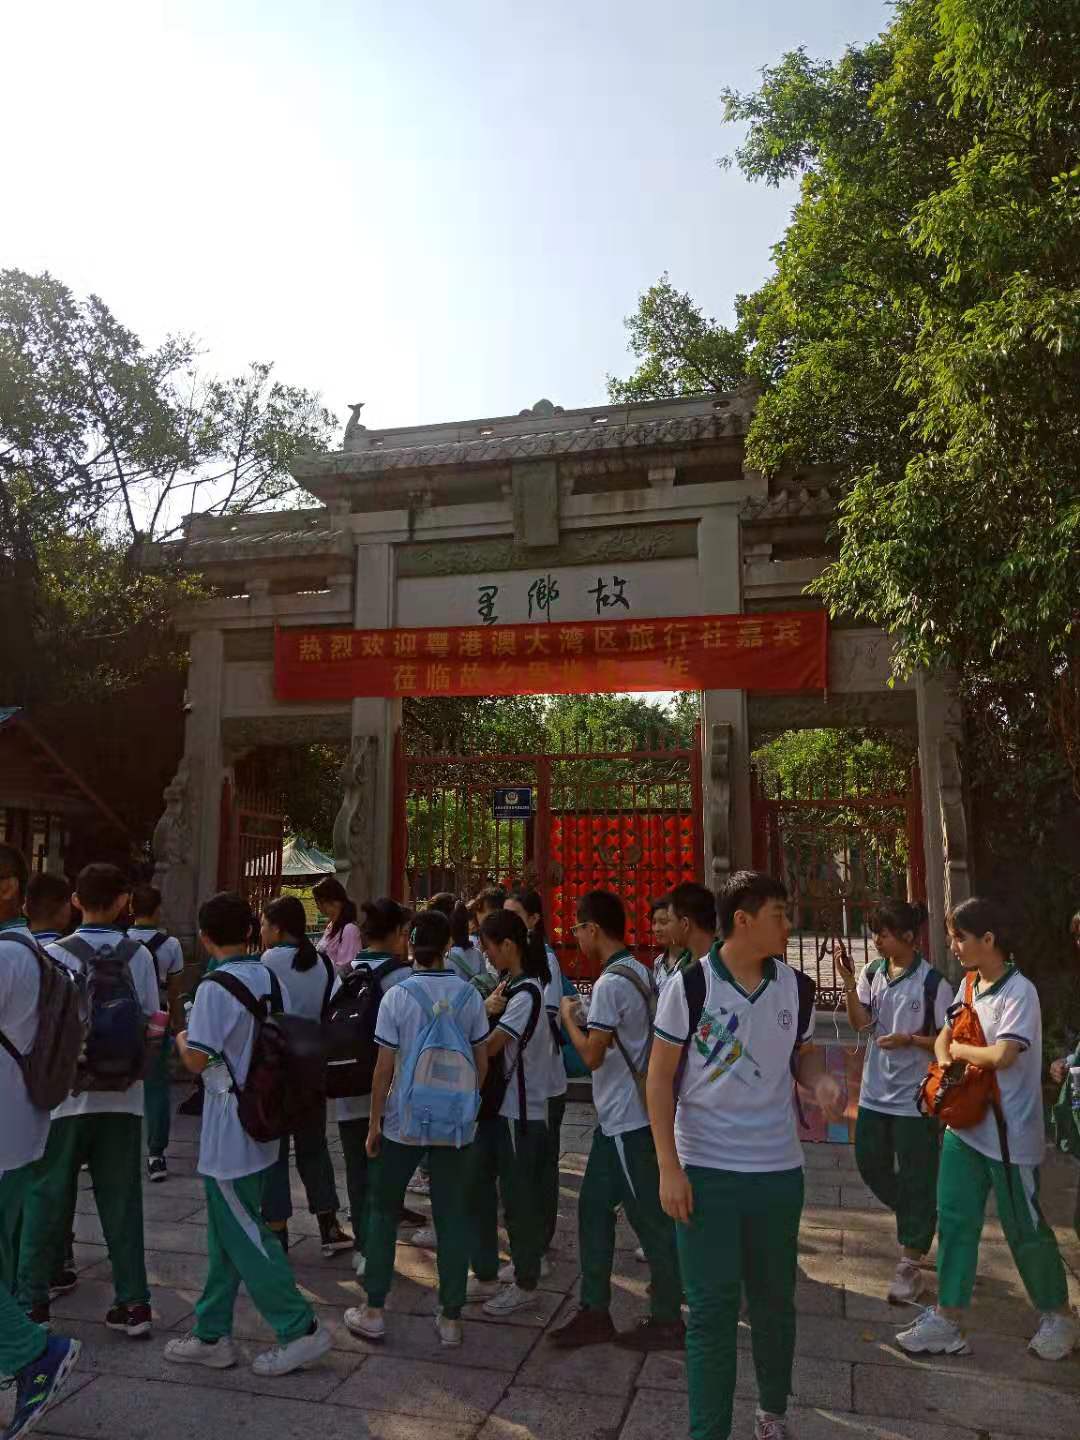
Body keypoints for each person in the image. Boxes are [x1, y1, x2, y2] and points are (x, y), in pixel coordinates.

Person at [648, 871, 838, 1440]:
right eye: (779, 915)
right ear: (743, 920)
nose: (789, 925)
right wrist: (668, 1167)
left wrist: (819, 1079)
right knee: (710, 1312)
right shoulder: (690, 987)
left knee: (775, 1303)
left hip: (777, 1172)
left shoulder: (796, 988)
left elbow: (803, 1054)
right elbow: (658, 1079)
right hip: (705, 1171)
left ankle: (772, 1413)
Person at [897, 895, 1079, 1362]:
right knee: (955, 1221)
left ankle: (1059, 1315)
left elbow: (1003, 1055)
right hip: (965, 1127)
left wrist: (958, 1053)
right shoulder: (969, 983)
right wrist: (946, 1063)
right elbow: (946, 1034)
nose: (953, 946)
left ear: (989, 939)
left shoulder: (1020, 992)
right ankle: (947, 1318)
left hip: (1010, 1135)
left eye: (960, 937)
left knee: (1025, 1228)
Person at [164, 891, 332, 1376]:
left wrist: (180, 1035)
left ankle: (299, 1327)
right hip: (263, 1115)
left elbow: (197, 1059)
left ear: (205, 937)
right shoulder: (267, 977)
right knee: (228, 1233)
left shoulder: (215, 988)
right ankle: (211, 1332)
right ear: (251, 930)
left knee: (245, 1233)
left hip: (230, 1125)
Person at [18, 863, 158, 1338]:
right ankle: (133, 1303)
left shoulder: (53, 953)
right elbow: (152, 1021)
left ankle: (34, 1302)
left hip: (65, 1100)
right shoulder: (139, 955)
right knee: (122, 1201)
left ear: (76, 901)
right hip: (124, 1098)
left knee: (45, 1196)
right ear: (123, 902)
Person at [344, 909, 489, 1348]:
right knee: (452, 1215)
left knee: (383, 1209)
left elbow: (383, 1070)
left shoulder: (398, 996)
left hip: (403, 1121)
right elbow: (482, 1063)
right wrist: (464, 1105)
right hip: (455, 1124)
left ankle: (373, 1308)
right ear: (447, 946)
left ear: (410, 944)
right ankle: (451, 1316)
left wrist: (374, 1122)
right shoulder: (469, 995)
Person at [552, 889, 684, 1352]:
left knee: (650, 1218)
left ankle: (668, 1316)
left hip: (629, 1118)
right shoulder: (638, 969)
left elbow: (592, 1054)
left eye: (577, 928)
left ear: (593, 929)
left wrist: (568, 1019)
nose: (575, 936)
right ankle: (594, 1310)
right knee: (592, 1208)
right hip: (617, 1120)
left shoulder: (610, 982)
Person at [0, 844, 82, 1440]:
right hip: (18, 1129)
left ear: (8, 886)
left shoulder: (7, 955)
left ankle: (35, 1353)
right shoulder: (28, 951)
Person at [835, 899, 952, 1304]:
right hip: (875, 1093)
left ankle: (910, 1262)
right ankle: (920, 1214)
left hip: (915, 1099)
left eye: (883, 934)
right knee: (870, 1163)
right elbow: (860, 1023)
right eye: (875, 933)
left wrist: (910, 1040)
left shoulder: (933, 983)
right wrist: (848, 982)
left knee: (918, 1173)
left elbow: (948, 1042)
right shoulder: (872, 972)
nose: (876, 941)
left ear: (907, 936)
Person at [466, 908, 552, 1316]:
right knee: (481, 1187)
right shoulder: (509, 986)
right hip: (498, 1109)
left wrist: (479, 1015)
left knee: (518, 1201)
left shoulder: (526, 993)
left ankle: (526, 1280)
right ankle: (489, 1270)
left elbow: (491, 1047)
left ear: (508, 945)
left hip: (520, 1110)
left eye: (488, 946)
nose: (485, 954)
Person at [258, 895, 351, 1257]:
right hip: (312, 1067)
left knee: (275, 1152)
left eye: (264, 924)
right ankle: (329, 1224)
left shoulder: (267, 962)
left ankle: (277, 1230)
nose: (261, 930)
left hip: (276, 1068)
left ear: (278, 928)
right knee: (314, 1147)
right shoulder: (323, 963)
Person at [334, 897, 413, 1277]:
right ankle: (379, 1250)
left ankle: (364, 1246)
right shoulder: (404, 978)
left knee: (356, 1173)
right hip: (391, 1096)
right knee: (385, 1178)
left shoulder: (345, 972)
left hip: (348, 1088)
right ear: (397, 932)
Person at [24, 872, 79, 1296]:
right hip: (59, 1089)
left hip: (16, 1086)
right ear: (64, 910)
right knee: (54, 1181)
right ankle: (56, 1261)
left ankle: (29, 1278)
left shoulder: (16, 953)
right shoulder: (67, 959)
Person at [506, 888, 566, 1268]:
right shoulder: (513, 965)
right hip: (524, 1086)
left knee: (540, 1166)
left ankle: (539, 1243)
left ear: (533, 920)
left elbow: (548, 1017)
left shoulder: (545, 962)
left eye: (515, 915)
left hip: (543, 1083)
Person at [129, 883, 186, 1183]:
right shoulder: (171, 945)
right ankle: (156, 1154)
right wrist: (180, 1027)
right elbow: (175, 992)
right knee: (157, 1087)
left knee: (115, 1083)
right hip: (158, 1020)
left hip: (124, 1021)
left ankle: (96, 1151)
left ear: (130, 908)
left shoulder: (121, 942)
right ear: (158, 910)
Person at [311, 876, 362, 974]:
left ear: (333, 901)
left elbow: (346, 967)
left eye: (319, 901)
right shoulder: (330, 927)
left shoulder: (349, 930)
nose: (317, 906)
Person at [651, 894, 693, 994]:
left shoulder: (692, 961)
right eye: (654, 922)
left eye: (663, 922)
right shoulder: (658, 962)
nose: (657, 929)